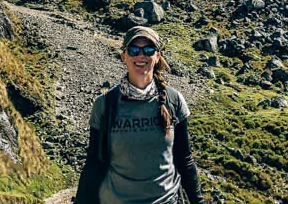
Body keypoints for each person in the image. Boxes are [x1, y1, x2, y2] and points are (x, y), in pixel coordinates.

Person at [74, 26, 203, 204]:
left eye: (148, 50)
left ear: (157, 56)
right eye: (134, 50)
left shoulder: (173, 101)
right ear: (124, 57)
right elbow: (94, 164)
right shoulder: (105, 105)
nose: (141, 55)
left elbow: (185, 160)